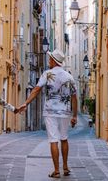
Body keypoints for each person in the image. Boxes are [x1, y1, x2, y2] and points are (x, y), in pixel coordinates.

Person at [19, 49, 77, 179]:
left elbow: (36, 89)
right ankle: (65, 167)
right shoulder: (69, 76)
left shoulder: (47, 74)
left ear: (53, 61)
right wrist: (75, 116)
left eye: (50, 59)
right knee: (64, 138)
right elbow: (74, 97)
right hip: (65, 112)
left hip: (50, 112)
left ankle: (56, 171)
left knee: (53, 140)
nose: (49, 60)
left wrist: (26, 103)